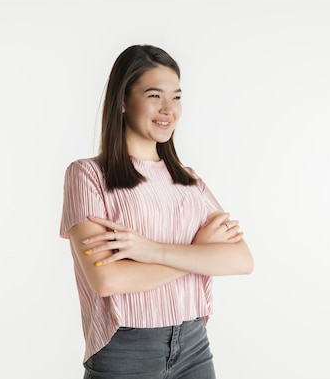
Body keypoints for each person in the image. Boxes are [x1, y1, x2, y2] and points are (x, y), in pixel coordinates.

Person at [59, 44, 253, 379]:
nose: (168, 109)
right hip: (126, 350)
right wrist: (198, 254)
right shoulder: (88, 176)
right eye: (154, 95)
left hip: (193, 345)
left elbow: (241, 260)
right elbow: (108, 279)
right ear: (122, 101)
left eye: (176, 97)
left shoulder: (189, 180)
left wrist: (151, 252)